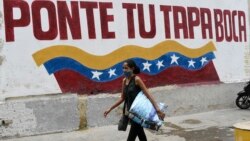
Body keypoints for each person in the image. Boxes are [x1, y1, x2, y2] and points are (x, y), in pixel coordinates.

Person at [104, 59, 165, 141]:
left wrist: (157, 109)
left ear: (132, 68)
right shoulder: (124, 81)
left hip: (138, 114)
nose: (124, 70)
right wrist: (110, 108)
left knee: (131, 138)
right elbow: (122, 98)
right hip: (131, 113)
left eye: (126, 68)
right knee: (141, 135)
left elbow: (148, 94)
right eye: (123, 68)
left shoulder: (137, 79)